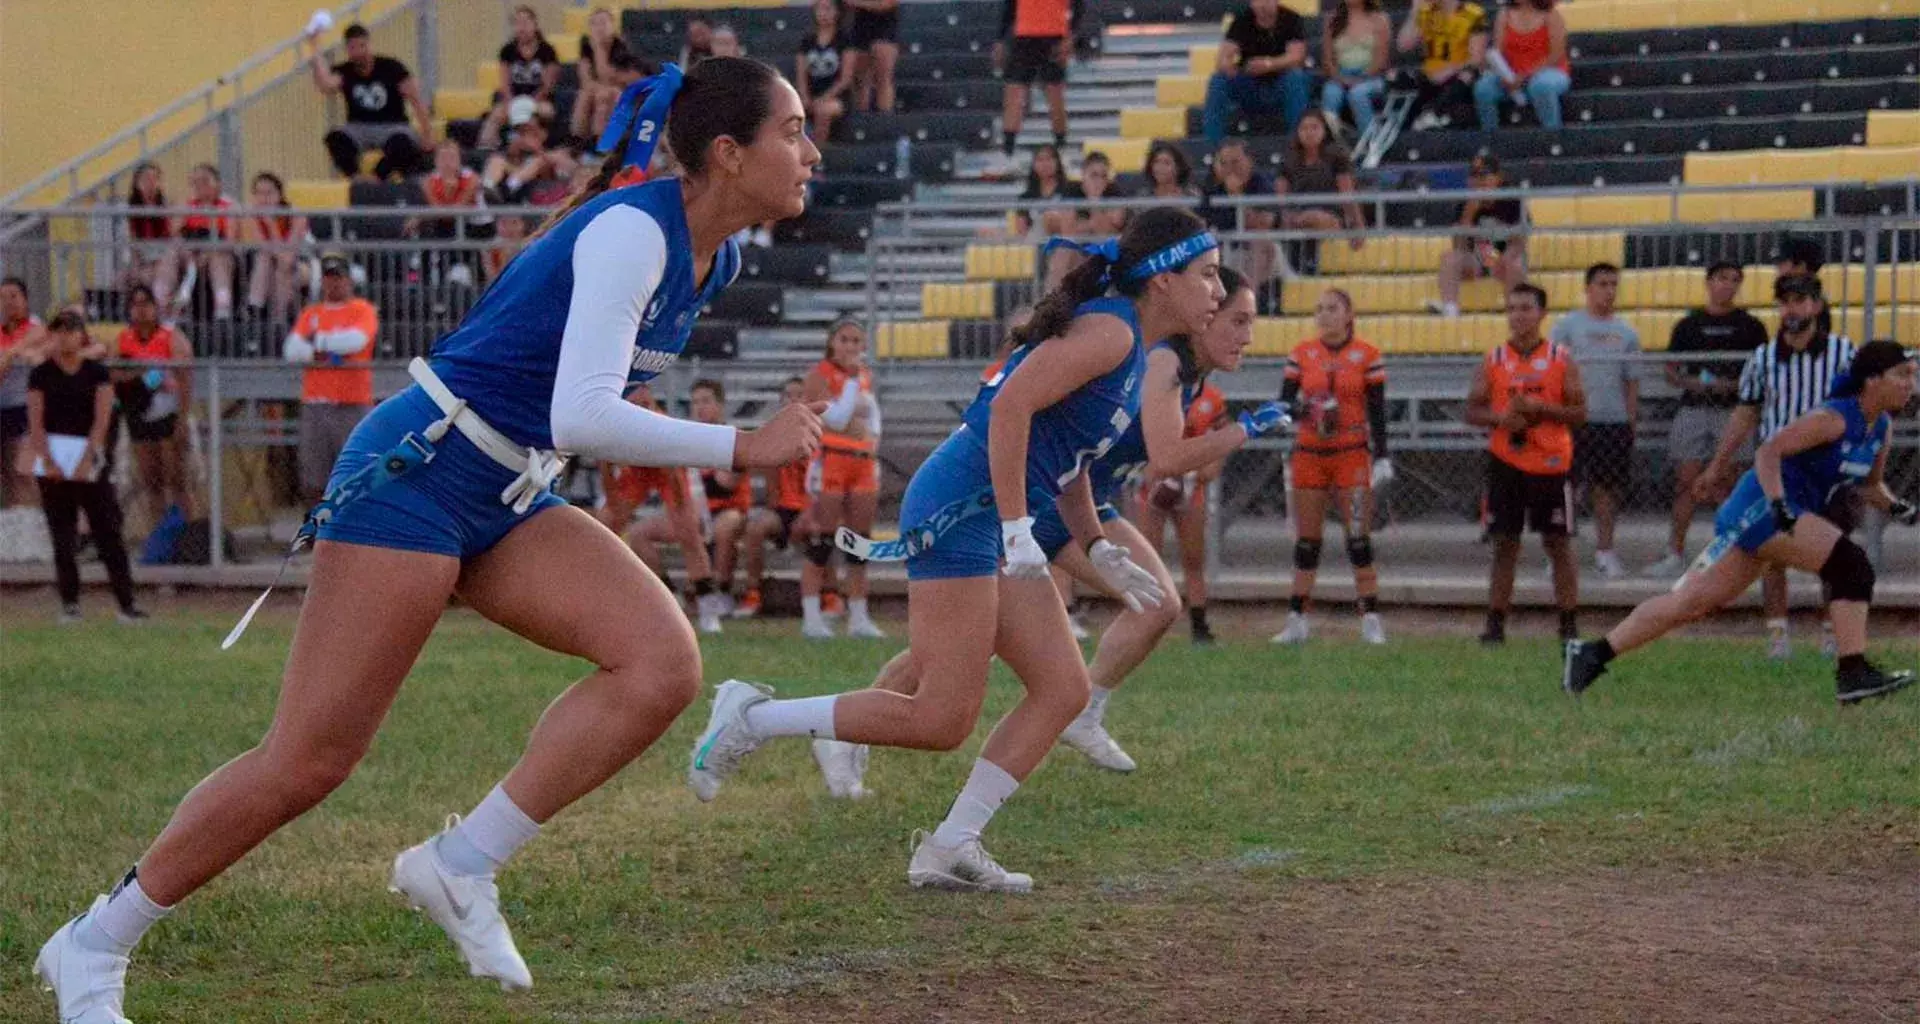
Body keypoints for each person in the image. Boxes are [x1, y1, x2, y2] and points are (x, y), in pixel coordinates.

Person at [34, 58, 827, 1022]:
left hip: (506, 487)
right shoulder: (632, 231)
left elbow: (582, 395)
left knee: (661, 664)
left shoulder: (722, 254)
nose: (811, 150)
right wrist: (744, 447)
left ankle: (459, 865)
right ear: (728, 153)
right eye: (792, 131)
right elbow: (582, 414)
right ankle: (92, 944)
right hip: (421, 472)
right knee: (309, 762)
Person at [683, 208, 1225, 893]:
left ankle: (950, 845)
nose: (1216, 289)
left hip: (987, 513)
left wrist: (1092, 541)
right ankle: (753, 717)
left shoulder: (1130, 343)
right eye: (1206, 275)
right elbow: (1008, 412)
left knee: (1062, 689)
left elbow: (1073, 456)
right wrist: (1016, 526)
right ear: (1163, 278)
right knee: (941, 718)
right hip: (963, 510)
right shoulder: (1113, 334)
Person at [814, 267, 1282, 791]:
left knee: (976, 639)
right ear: (1202, 314)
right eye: (1236, 318)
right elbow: (1166, 457)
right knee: (1120, 614)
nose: (1247, 334)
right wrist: (1244, 430)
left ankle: (852, 734)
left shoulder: (1182, 366)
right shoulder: (1162, 360)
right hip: (1050, 502)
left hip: (1074, 497)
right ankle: (1074, 712)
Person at [1565, 342, 1917, 705]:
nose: (1911, 383)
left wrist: (1902, 509)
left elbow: (1870, 483)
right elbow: (1769, 451)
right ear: (1872, 380)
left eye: (1913, 376)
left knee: (1690, 603)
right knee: (1851, 565)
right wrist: (1780, 504)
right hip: (1762, 506)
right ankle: (1853, 672)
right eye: (1902, 375)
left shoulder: (1881, 428)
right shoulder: (1835, 418)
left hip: (1779, 511)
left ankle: (1590, 655)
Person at [1695, 274, 1855, 660]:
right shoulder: (1763, 358)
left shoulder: (1843, 352)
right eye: (1785, 302)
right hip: (1777, 472)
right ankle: (1778, 638)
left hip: (1827, 472)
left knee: (1833, 552)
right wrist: (1717, 465)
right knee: (1771, 552)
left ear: (1816, 305)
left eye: (1800, 301)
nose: (1792, 309)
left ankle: (1832, 633)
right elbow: (1745, 414)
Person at [1466, 283, 1586, 645]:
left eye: (1526, 308)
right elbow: (1472, 409)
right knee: (1505, 543)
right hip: (1507, 461)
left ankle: (1568, 625)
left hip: (1551, 463)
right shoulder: (1494, 360)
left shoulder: (1560, 359)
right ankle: (1495, 624)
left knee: (1558, 543)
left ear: (1541, 314)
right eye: (1513, 308)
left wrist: (1541, 410)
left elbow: (1580, 413)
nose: (1518, 315)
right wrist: (1502, 419)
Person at [1273, 288, 1392, 645]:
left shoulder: (1367, 355)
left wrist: (1383, 454)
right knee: (1307, 540)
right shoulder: (1302, 353)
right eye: (1319, 309)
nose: (1324, 315)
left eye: (1332, 308)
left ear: (1348, 314)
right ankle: (1297, 618)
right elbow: (1283, 405)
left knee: (1358, 537)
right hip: (1310, 452)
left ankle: (1370, 617)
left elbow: (1378, 410)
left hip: (1351, 454)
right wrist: (1307, 410)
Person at [1645, 263, 1771, 577]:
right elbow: (1671, 371)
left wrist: (1733, 388)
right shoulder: (1688, 325)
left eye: (1734, 280)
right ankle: (1674, 551)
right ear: (1709, 283)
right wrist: (1697, 386)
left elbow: (1761, 372)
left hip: (1734, 412)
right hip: (1694, 408)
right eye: (1722, 279)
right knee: (1687, 482)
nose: (1727, 285)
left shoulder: (1751, 326)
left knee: (1730, 483)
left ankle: (1730, 549)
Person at [27, 310, 147, 624]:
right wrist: (49, 460)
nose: (66, 337)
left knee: (107, 529)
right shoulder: (41, 375)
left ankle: (126, 602)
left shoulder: (96, 373)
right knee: (62, 533)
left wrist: (88, 456)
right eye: (60, 331)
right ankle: (69, 603)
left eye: (71, 330)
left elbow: (102, 418)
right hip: (54, 455)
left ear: (82, 335)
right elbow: (36, 422)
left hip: (88, 457)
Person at [599, 383, 728, 633]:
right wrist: (614, 505)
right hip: (637, 469)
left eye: (644, 406)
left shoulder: (660, 426)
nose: (640, 409)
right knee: (605, 524)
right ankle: (649, 597)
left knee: (688, 533)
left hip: (665, 467)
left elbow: (675, 480)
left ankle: (708, 609)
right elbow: (605, 465)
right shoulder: (615, 426)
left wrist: (682, 511)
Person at [1552, 262, 1640, 581]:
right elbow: (1554, 373)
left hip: (1611, 420)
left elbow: (1631, 381)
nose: (1609, 290)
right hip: (1573, 421)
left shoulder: (1627, 332)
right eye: (1602, 283)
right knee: (1567, 488)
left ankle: (1605, 551)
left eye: (1613, 284)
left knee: (1606, 489)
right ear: (1588, 288)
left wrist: (1630, 421)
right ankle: (1561, 553)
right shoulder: (1567, 327)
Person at [799, 320, 887, 639]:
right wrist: (850, 383)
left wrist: (873, 439)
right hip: (832, 460)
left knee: (859, 540)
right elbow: (833, 418)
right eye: (844, 340)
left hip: (861, 460)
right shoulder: (820, 374)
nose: (851, 347)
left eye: (857, 341)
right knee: (822, 539)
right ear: (832, 343)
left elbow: (870, 414)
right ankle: (812, 616)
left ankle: (859, 616)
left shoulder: (864, 376)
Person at [1131, 376, 1229, 644]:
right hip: (1155, 481)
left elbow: (1223, 433)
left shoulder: (1211, 397)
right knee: (1148, 557)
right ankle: (1144, 623)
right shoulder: (1154, 391)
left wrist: (1211, 466)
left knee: (1193, 557)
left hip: (1190, 482)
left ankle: (1199, 624)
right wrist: (1144, 468)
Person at [284, 255, 380, 506]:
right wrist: (330, 346)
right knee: (313, 479)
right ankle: (317, 534)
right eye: (328, 278)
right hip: (316, 403)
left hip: (352, 403)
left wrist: (317, 343)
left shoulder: (362, 310)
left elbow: (355, 341)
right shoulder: (311, 313)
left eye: (338, 278)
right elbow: (292, 350)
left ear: (349, 280)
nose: (333, 284)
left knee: (356, 475)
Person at [735, 376, 817, 619]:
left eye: (799, 395)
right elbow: (772, 488)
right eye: (788, 395)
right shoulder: (773, 434)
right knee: (755, 529)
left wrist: (807, 513)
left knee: (820, 529)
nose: (793, 400)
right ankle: (753, 593)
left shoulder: (819, 434)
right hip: (783, 508)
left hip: (811, 507)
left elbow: (822, 484)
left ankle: (828, 595)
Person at [309, 22, 434, 181]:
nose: (359, 52)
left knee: (402, 144)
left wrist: (427, 133)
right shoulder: (345, 71)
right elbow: (325, 84)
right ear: (347, 50)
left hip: (393, 126)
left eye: (362, 46)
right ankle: (355, 177)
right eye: (353, 48)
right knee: (335, 138)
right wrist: (314, 45)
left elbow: (416, 100)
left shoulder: (391, 67)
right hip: (359, 127)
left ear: (369, 44)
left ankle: (376, 178)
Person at [114, 286, 196, 527]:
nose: (141, 310)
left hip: (168, 413)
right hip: (139, 413)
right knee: (151, 479)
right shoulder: (123, 339)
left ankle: (185, 533)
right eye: (135, 304)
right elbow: (112, 373)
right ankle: (158, 533)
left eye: (146, 303)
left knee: (177, 478)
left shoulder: (171, 336)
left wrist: (182, 418)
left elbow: (184, 377)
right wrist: (142, 374)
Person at [1203, 0, 1313, 146]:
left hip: (1280, 86)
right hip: (1250, 86)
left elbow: (1297, 57)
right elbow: (1223, 58)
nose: (1263, 5)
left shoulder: (1291, 19)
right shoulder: (1242, 19)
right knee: (1218, 80)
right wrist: (1229, 67)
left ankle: (1297, 143)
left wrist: (1268, 64)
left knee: (1296, 78)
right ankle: (1213, 145)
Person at [1432, 155, 1524, 318]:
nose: (1479, 181)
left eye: (1484, 175)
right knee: (1449, 258)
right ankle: (1451, 311)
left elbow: (1518, 243)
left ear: (1498, 178)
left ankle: (1514, 311)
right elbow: (1459, 247)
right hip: (1477, 259)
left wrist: (1501, 259)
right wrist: (1467, 217)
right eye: (1474, 175)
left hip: (1504, 257)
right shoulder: (1465, 204)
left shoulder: (1511, 200)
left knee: (1513, 262)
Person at [151, 164, 237, 323]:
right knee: (173, 252)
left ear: (217, 184)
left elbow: (230, 240)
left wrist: (208, 253)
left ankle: (222, 308)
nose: (200, 186)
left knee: (218, 259)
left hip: (217, 252)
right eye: (195, 182)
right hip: (190, 253)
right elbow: (175, 233)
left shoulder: (227, 206)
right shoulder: (189, 206)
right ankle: (162, 301)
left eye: (205, 181)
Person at [1200, 139, 1278, 304]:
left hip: (1265, 257)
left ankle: (1249, 299)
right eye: (1223, 163)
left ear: (1249, 162)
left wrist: (1236, 197)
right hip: (1226, 252)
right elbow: (1202, 222)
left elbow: (1263, 224)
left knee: (1259, 241)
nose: (1230, 169)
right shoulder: (1211, 186)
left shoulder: (1261, 184)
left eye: (1235, 162)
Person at [997, 0, 1073, 169]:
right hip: (1024, 34)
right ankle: (1007, 153)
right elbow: (1010, 5)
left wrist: (1072, 34)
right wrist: (1000, 40)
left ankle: (1062, 149)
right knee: (1014, 94)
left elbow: (1079, 5)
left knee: (1055, 96)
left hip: (1054, 33)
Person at [1274, 110, 1365, 250]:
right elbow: (1281, 197)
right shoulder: (1288, 160)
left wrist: (1357, 226)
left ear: (1325, 131)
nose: (1309, 132)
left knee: (1313, 218)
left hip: (1331, 217)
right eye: (1304, 128)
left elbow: (1347, 195)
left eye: (1314, 127)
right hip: (1296, 215)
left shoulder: (1337, 157)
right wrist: (1286, 217)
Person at [1473, 0, 1570, 130]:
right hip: (1512, 73)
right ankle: (1490, 137)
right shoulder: (1504, 14)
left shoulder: (1551, 14)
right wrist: (1503, 74)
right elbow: (1499, 52)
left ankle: (1552, 134)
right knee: (1483, 88)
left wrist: (1525, 76)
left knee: (1541, 86)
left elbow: (1556, 56)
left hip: (1549, 71)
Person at [1395, 0, 1488, 131]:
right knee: (1400, 78)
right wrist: (1415, 12)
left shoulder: (1473, 14)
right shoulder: (1426, 12)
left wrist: (1450, 70)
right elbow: (1403, 46)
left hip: (1458, 75)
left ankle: (1433, 115)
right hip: (1430, 75)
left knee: (1466, 75)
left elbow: (1477, 59)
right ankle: (1401, 126)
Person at [481, 7, 562, 150]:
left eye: (525, 23)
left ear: (534, 25)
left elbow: (547, 86)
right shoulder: (507, 51)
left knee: (545, 111)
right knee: (497, 114)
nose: (521, 28)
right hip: (513, 99)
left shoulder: (547, 51)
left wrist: (528, 104)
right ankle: (485, 146)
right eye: (517, 23)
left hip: (539, 99)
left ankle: (537, 145)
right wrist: (513, 102)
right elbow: (505, 83)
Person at [1, 276, 48, 508]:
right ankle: (13, 529)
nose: (8, 302)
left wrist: (8, 355)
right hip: (4, 407)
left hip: (26, 408)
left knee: (26, 473)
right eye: (3, 297)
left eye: (14, 296)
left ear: (25, 300)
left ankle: (36, 527)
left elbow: (37, 338)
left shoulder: (35, 326)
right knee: (7, 475)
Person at [242, 173, 311, 329]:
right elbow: (265, 248)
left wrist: (272, 226)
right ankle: (256, 309)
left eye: (269, 193)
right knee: (265, 257)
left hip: (301, 265)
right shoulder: (252, 215)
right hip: (271, 267)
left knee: (280, 269)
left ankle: (276, 320)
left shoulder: (295, 215)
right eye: (259, 193)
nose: (264, 198)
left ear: (280, 195)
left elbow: (287, 259)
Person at [1320, 0, 1391, 137]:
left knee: (1358, 94)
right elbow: (1328, 60)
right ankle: (1331, 142)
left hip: (1371, 76)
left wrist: (1359, 79)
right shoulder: (1332, 20)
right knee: (1330, 93)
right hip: (1340, 75)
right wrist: (1340, 78)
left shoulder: (1380, 19)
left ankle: (1370, 142)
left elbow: (1381, 61)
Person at [483, 110, 577, 207]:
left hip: (541, 185)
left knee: (538, 161)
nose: (526, 134)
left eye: (531, 130)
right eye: (523, 131)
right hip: (517, 183)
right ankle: (488, 188)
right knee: (497, 160)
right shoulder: (519, 143)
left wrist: (537, 149)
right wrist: (514, 150)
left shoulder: (556, 147)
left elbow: (567, 167)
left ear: (543, 132)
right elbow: (511, 161)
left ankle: (508, 188)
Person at [572, 7, 639, 141]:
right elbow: (585, 79)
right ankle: (578, 142)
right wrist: (596, 89)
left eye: (603, 23)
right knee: (584, 94)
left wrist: (598, 48)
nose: (599, 28)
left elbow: (608, 78)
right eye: (594, 24)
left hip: (623, 91)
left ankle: (602, 143)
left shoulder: (620, 46)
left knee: (608, 96)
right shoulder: (586, 45)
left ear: (612, 26)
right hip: (598, 90)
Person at [797, 0, 856, 145]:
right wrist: (804, 96)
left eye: (828, 9)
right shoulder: (807, 41)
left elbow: (846, 79)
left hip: (837, 97)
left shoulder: (846, 40)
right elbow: (801, 74)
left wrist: (824, 98)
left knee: (823, 110)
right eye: (820, 9)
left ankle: (818, 156)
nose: (824, 14)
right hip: (811, 93)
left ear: (837, 12)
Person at [123, 163, 173, 293]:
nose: (151, 183)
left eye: (155, 179)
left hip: (162, 260)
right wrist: (136, 266)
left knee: (151, 276)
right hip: (139, 260)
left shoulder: (166, 207)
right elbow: (130, 242)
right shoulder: (130, 210)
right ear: (137, 183)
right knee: (120, 280)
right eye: (146, 179)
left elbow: (171, 238)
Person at [844, 0, 901, 113]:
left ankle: (885, 116)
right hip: (860, 26)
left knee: (883, 78)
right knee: (861, 80)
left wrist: (858, 3)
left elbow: (888, 4)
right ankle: (862, 116)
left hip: (884, 27)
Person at [1013, 144, 1082, 237]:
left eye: (1049, 159)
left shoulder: (1072, 190)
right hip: (1037, 242)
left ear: (1058, 162)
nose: (1045, 164)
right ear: (1034, 165)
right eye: (1040, 160)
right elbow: (1021, 233)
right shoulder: (1025, 198)